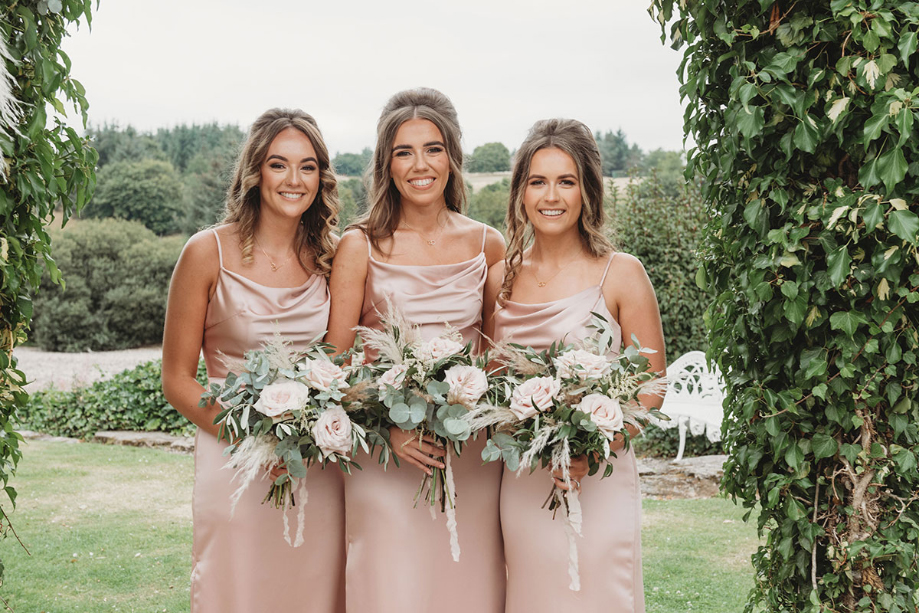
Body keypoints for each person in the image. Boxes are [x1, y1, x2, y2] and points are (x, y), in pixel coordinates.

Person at [326, 87, 506, 613]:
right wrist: (388, 427)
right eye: (404, 152)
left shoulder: (488, 244)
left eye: (433, 149)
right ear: (386, 163)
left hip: (468, 455)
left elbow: (497, 358)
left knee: (466, 588)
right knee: (391, 589)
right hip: (385, 455)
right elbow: (333, 364)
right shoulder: (359, 245)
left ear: (452, 157)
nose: (420, 165)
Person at [162, 109, 344, 613]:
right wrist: (254, 440)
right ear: (255, 172)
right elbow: (176, 378)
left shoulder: (332, 258)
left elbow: (342, 361)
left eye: (308, 167)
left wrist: (305, 438)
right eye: (278, 164)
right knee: (237, 587)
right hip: (233, 458)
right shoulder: (206, 252)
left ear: (321, 178)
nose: (293, 180)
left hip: (314, 463)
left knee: (312, 590)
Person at [482, 118, 666, 612]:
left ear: (587, 191)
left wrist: (597, 448)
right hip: (524, 481)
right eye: (537, 181)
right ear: (521, 192)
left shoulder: (622, 274)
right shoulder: (500, 279)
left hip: (600, 479)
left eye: (566, 181)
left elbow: (652, 386)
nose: (551, 196)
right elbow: (491, 380)